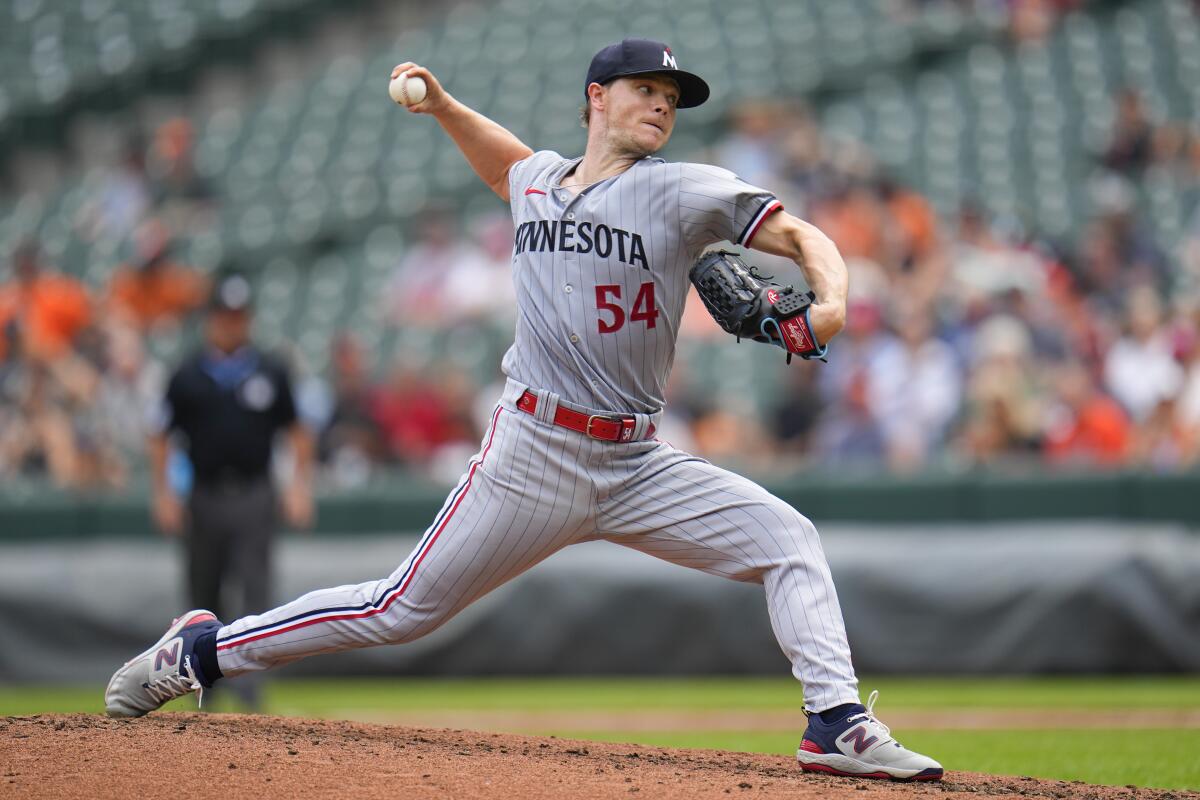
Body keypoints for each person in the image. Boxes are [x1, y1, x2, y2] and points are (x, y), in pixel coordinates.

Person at [106, 39, 942, 782]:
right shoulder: (537, 181)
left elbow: (801, 237)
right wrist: (440, 106)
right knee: (397, 609)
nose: (661, 103)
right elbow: (504, 161)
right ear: (596, 98)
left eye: (672, 96)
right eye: (645, 87)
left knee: (789, 539)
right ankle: (204, 650)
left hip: (637, 463)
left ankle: (835, 722)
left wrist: (828, 304)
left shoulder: (684, 192)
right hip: (533, 454)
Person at [143, 273, 315, 709]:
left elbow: (298, 431)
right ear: (211, 319)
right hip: (203, 494)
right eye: (225, 316)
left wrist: (298, 486)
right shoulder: (187, 373)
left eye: (239, 316)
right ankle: (205, 697)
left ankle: (251, 697)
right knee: (204, 598)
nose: (232, 324)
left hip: (255, 493)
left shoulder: (270, 369)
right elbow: (160, 434)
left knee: (256, 597)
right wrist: (163, 494)